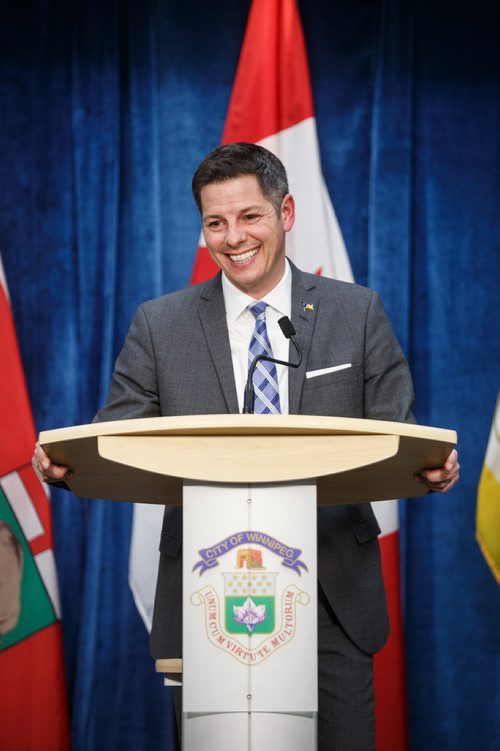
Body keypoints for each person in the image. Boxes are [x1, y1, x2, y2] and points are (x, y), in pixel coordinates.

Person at [33, 143, 459, 749]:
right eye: (215, 222)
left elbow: (395, 433)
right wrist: (64, 463)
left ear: (285, 212)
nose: (233, 237)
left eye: (250, 216)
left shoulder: (355, 312)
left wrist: (431, 467)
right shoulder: (160, 323)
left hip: (333, 592)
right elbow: (117, 436)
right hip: (209, 596)